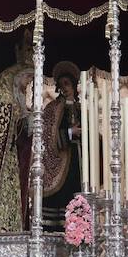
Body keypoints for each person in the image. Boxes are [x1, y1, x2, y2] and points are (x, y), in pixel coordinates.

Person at [40, 60, 83, 229]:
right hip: (59, 163)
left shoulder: (82, 108)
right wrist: (69, 133)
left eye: (67, 83)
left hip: (78, 163)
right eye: (61, 84)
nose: (64, 87)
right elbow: (46, 135)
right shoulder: (52, 108)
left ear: (73, 85)